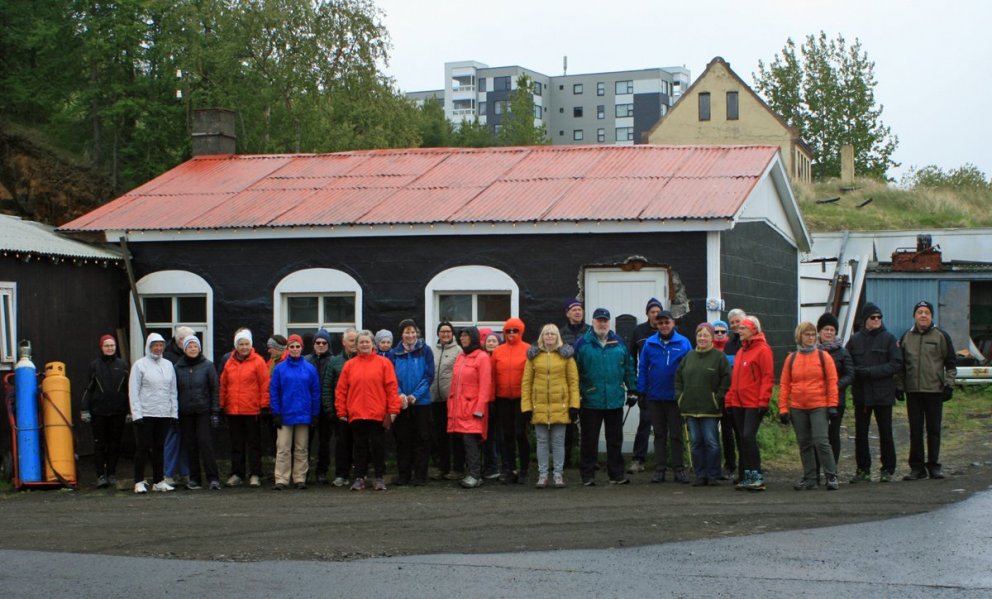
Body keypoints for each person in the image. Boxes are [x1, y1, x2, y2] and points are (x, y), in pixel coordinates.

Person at [574, 308, 638, 486]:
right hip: (590, 399)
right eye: (599, 320)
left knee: (615, 439)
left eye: (605, 320)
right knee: (589, 440)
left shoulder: (619, 343)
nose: (602, 324)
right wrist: (576, 395)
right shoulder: (582, 344)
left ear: (609, 323)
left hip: (614, 399)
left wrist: (632, 389)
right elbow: (575, 372)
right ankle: (587, 475)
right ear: (593, 321)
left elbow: (628, 367)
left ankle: (616, 475)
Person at [897, 300, 957, 481]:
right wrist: (899, 386)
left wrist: (948, 385)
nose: (923, 315)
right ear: (914, 316)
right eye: (920, 312)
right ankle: (917, 468)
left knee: (934, 429)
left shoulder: (941, 336)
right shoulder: (906, 337)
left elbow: (951, 363)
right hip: (913, 391)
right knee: (915, 431)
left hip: (934, 391)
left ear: (932, 316)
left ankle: (934, 466)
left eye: (926, 312)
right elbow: (900, 366)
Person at [335, 330, 401, 491]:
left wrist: (393, 410)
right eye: (361, 342)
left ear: (373, 344)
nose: (364, 344)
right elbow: (341, 390)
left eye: (367, 342)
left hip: (377, 414)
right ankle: (359, 477)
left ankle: (379, 477)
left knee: (378, 447)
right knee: (359, 447)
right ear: (356, 345)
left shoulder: (384, 363)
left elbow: (392, 388)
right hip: (357, 414)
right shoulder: (349, 365)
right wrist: (341, 411)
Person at [779, 322, 840, 491]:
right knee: (804, 443)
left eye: (813, 335)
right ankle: (810, 477)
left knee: (821, 441)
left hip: (819, 404)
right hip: (798, 407)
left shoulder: (824, 357)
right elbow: (785, 384)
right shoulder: (791, 359)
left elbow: (832, 382)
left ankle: (831, 475)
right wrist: (783, 408)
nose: (811, 338)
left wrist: (832, 405)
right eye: (807, 335)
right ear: (800, 336)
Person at [845, 302, 901, 483]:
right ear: (865, 320)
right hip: (861, 395)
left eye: (879, 317)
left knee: (886, 433)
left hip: (883, 395)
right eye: (873, 317)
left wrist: (871, 372)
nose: (877, 320)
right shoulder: (854, 341)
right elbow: (847, 363)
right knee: (861, 434)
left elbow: (896, 364)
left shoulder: (889, 339)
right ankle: (863, 470)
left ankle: (888, 469)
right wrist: (856, 374)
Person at [521, 324, 579, 488]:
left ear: (557, 337)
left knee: (558, 442)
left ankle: (558, 475)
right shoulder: (534, 356)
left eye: (553, 334)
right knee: (542, 442)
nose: (549, 337)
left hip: (560, 406)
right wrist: (526, 407)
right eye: (546, 334)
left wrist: (574, 405)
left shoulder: (566, 356)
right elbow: (526, 383)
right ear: (542, 337)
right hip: (538, 406)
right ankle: (543, 475)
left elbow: (573, 382)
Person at [638, 309, 692, 483]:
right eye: (660, 323)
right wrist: (641, 391)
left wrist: (687, 393)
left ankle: (678, 469)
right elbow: (643, 368)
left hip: (675, 397)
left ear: (673, 323)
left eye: (667, 322)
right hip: (655, 396)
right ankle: (660, 469)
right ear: (657, 325)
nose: (664, 325)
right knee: (659, 434)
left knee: (676, 435)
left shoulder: (683, 343)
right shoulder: (649, 343)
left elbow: (689, 370)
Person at [676, 322, 731, 487]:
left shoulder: (719, 357)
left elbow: (726, 380)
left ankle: (713, 474)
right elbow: (678, 378)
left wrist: (717, 398)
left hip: (710, 409)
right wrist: (680, 398)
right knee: (695, 443)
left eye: (706, 335)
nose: (702, 338)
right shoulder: (689, 357)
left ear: (712, 337)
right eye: (699, 335)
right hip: (690, 409)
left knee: (711, 443)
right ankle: (700, 475)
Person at [724, 315, 773, 491]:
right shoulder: (741, 351)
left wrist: (763, 400)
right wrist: (730, 400)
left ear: (753, 330)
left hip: (753, 403)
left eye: (743, 328)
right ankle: (745, 475)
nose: (739, 330)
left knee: (747, 437)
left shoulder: (763, 350)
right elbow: (734, 379)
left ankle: (756, 476)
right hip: (738, 403)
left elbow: (767, 377)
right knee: (742, 440)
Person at [128, 333, 178, 494]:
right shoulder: (139, 365)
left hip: (163, 413)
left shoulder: (168, 365)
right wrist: (137, 414)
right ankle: (139, 481)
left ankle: (158, 480)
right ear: (149, 347)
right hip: (146, 413)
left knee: (159, 448)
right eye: (154, 345)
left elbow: (172, 390)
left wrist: (174, 413)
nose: (158, 348)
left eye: (161, 345)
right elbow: (133, 390)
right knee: (142, 448)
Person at [220, 328, 270, 488]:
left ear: (251, 344)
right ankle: (237, 473)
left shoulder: (258, 361)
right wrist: (221, 405)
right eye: (241, 344)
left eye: (246, 344)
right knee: (236, 444)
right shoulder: (229, 363)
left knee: (254, 444)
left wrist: (264, 405)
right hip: (233, 410)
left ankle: (255, 474)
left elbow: (265, 384)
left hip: (252, 409)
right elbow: (223, 385)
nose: (244, 347)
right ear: (236, 346)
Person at [269, 334, 320, 490]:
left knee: (301, 448)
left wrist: (315, 413)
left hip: (304, 414)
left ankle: (299, 478)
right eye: (292, 346)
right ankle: (281, 479)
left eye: (298, 346)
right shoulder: (279, 369)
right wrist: (276, 412)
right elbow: (274, 391)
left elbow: (315, 392)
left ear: (302, 348)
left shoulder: (310, 369)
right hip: (285, 414)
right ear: (287, 348)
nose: (295, 349)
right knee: (283, 448)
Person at [388, 319, 435, 486]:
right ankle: (403, 475)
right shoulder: (394, 353)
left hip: (422, 403)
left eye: (413, 332)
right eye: (407, 332)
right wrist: (401, 395)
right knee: (403, 440)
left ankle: (420, 476)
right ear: (401, 334)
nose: (410, 335)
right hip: (401, 404)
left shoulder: (426, 351)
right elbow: (391, 378)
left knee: (422, 439)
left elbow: (429, 376)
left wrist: (415, 395)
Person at [80, 334, 129, 489]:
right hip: (99, 411)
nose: (110, 348)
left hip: (118, 411)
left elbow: (128, 389)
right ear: (101, 347)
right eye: (106, 345)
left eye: (112, 345)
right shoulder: (94, 365)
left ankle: (112, 474)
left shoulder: (123, 365)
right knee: (100, 444)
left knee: (115, 444)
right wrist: (84, 409)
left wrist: (129, 410)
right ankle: (100, 475)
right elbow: (88, 388)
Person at [447, 327, 493, 489]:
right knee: (463, 441)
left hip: (473, 408)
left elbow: (485, 385)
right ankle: (471, 472)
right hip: (459, 407)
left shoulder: (482, 357)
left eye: (466, 336)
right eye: (461, 336)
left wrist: (480, 409)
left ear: (473, 338)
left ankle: (475, 474)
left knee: (470, 440)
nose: (463, 339)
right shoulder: (461, 356)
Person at [174, 336, 221, 490]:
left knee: (205, 443)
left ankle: (213, 478)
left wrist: (215, 411)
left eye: (195, 346)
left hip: (203, 411)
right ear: (184, 349)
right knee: (190, 445)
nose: (193, 349)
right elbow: (174, 391)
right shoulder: (178, 367)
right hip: (185, 411)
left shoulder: (208, 366)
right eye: (189, 347)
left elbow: (214, 389)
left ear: (199, 348)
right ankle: (195, 479)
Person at [491, 317, 531, 484]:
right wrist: (492, 397)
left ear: (521, 331)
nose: (512, 333)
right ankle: (510, 468)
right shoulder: (498, 351)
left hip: (521, 398)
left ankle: (524, 469)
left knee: (521, 434)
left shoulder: (528, 349)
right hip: (502, 398)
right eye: (508, 331)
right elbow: (492, 376)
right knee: (506, 435)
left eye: (515, 330)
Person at [628, 297, 663, 474]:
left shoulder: (668, 331)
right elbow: (631, 358)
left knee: (662, 425)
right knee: (645, 422)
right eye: (652, 312)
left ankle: (661, 460)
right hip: (646, 385)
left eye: (658, 312)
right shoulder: (639, 331)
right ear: (647, 314)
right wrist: (634, 385)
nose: (656, 316)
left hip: (664, 386)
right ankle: (638, 459)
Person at [816, 313, 854, 470]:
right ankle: (816, 469)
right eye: (826, 329)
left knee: (833, 434)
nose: (829, 332)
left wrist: (836, 385)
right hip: (816, 400)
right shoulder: (812, 351)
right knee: (818, 436)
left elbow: (850, 374)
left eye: (832, 330)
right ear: (819, 331)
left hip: (837, 400)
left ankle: (832, 469)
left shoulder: (843, 352)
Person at [429, 321, 464, 482]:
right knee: (440, 435)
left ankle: (457, 468)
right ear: (438, 334)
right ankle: (443, 467)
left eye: (448, 331)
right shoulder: (432, 350)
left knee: (456, 435)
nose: (445, 334)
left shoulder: (459, 351)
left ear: (453, 334)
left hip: (453, 399)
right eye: (442, 331)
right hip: (436, 400)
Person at [559, 299, 589, 470]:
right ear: (567, 313)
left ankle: (586, 459)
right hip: (566, 383)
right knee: (567, 423)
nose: (578, 312)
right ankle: (565, 459)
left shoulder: (590, 332)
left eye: (580, 309)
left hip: (586, 381)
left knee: (587, 423)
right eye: (574, 309)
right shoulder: (560, 334)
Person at [326, 328, 358, 487]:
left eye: (356, 340)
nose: (354, 344)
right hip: (342, 411)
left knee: (360, 444)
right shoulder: (334, 362)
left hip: (359, 410)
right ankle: (341, 474)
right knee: (342, 444)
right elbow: (327, 387)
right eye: (351, 340)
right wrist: (331, 410)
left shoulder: (363, 360)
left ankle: (360, 474)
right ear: (343, 342)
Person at [161, 326, 193, 486]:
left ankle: (185, 472)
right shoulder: (167, 357)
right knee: (172, 440)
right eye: (186, 340)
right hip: (171, 405)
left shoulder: (192, 356)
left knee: (186, 440)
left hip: (188, 405)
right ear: (180, 340)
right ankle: (168, 474)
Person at [305, 329, 336, 484]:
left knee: (324, 442)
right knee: (305, 442)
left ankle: (322, 471)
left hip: (325, 408)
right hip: (308, 408)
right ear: (313, 344)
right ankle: (304, 472)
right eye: (318, 342)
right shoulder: (306, 360)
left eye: (324, 342)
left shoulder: (333, 361)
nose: (321, 345)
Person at [719, 309, 746, 478]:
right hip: (727, 395)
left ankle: (746, 464)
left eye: (738, 322)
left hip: (744, 396)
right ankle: (730, 464)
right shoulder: (727, 345)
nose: (735, 325)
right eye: (733, 322)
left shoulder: (748, 343)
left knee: (742, 433)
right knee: (727, 432)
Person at [481, 331, 503, 479]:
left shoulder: (500, 358)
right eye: (488, 341)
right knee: (486, 436)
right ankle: (488, 465)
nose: (490, 343)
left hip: (498, 401)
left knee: (496, 436)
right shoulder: (482, 358)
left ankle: (495, 466)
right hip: (484, 401)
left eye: (494, 341)